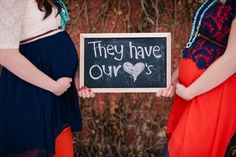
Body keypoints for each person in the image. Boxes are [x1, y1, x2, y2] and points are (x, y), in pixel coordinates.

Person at [0, 0, 94, 157]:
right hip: (31, 92)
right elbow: (5, 54)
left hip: (58, 92)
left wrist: (78, 75)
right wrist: (52, 86)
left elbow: (55, 34)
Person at [156, 0, 236, 156]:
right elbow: (198, 41)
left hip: (214, 92)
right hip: (192, 90)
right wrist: (174, 77)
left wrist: (189, 92)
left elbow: (233, 60)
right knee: (175, 145)